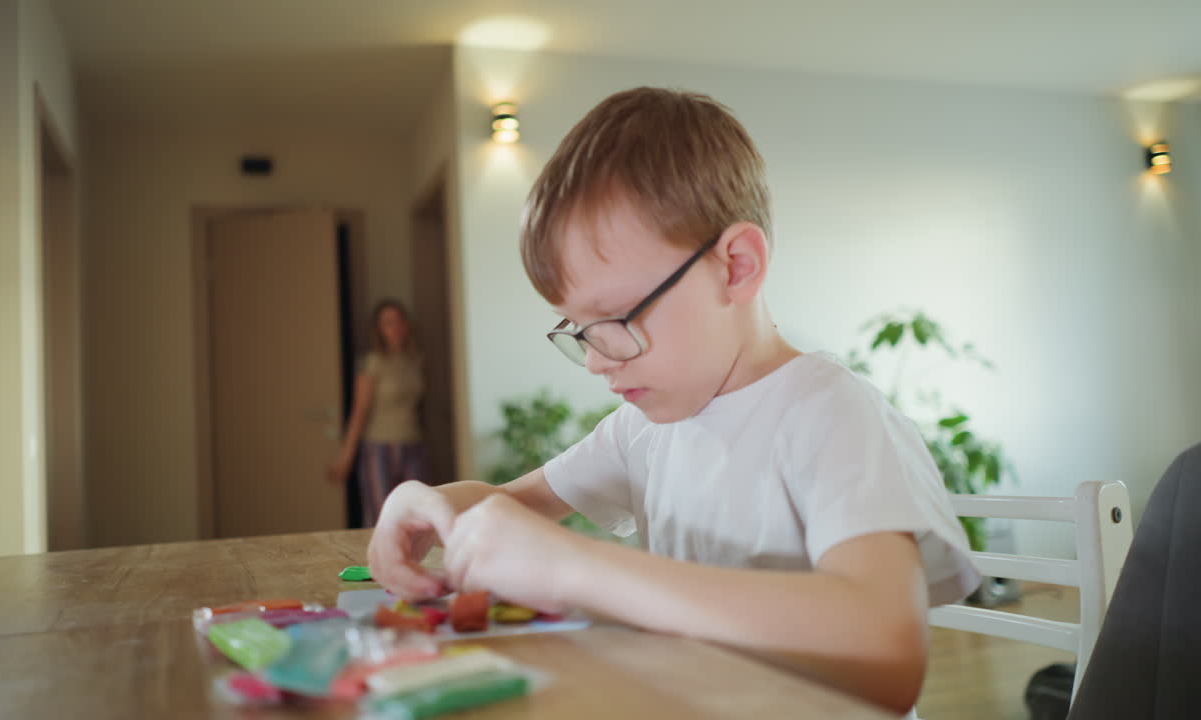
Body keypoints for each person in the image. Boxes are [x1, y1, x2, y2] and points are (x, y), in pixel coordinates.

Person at [366, 87, 979, 714]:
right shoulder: (643, 428)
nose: (598, 359)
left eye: (613, 317)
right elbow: (511, 507)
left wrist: (580, 569)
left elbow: (888, 652)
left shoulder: (829, 413)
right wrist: (423, 506)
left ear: (736, 266)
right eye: (578, 329)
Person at [328, 299, 425, 527]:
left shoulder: (415, 360)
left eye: (400, 320)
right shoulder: (372, 363)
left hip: (414, 445)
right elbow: (359, 412)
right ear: (379, 330)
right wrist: (346, 458)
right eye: (389, 323)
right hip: (379, 448)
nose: (396, 327)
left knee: (416, 515)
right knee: (381, 517)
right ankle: (378, 563)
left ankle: (409, 563)